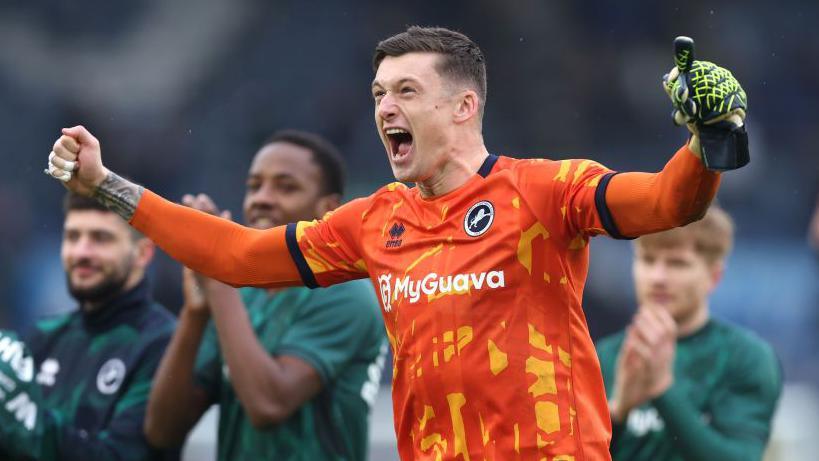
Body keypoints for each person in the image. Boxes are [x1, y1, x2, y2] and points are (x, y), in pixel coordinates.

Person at [45, 26, 750, 460]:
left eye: (406, 91)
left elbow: (667, 202)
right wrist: (109, 185)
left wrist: (709, 138)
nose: (384, 108)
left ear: (463, 106)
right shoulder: (372, 221)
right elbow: (234, 256)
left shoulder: (542, 190)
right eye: (379, 93)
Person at [143, 130, 387, 460]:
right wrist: (195, 313)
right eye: (254, 186)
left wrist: (216, 272)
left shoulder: (347, 294)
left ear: (328, 209)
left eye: (285, 187)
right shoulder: (241, 295)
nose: (262, 198)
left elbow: (269, 405)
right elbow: (162, 431)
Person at [596, 205, 782, 460]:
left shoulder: (745, 356)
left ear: (714, 277)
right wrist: (617, 412)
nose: (658, 277)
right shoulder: (603, 356)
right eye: (648, 260)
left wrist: (662, 390)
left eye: (677, 264)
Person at [0, 192, 177, 460]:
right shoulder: (44, 336)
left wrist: (23, 415)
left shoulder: (163, 343)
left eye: (101, 238)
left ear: (143, 253)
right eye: (72, 237)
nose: (82, 252)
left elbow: (122, 455)